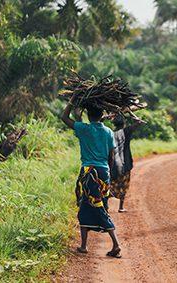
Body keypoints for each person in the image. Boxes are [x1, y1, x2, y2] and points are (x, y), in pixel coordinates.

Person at [61, 94, 121, 258]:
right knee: (91, 207)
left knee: (93, 207)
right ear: (103, 115)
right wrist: (108, 172)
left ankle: (116, 244)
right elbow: (111, 155)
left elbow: (64, 117)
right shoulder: (108, 131)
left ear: (89, 115)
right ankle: (83, 245)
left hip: (88, 173)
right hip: (103, 172)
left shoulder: (84, 128)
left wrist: (72, 101)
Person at [110, 116, 142, 213]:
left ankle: (105, 206)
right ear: (123, 124)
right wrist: (130, 115)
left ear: (114, 124)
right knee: (124, 184)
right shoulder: (126, 131)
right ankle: (121, 207)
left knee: (110, 183)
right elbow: (138, 122)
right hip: (125, 163)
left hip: (112, 163)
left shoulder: (109, 133)